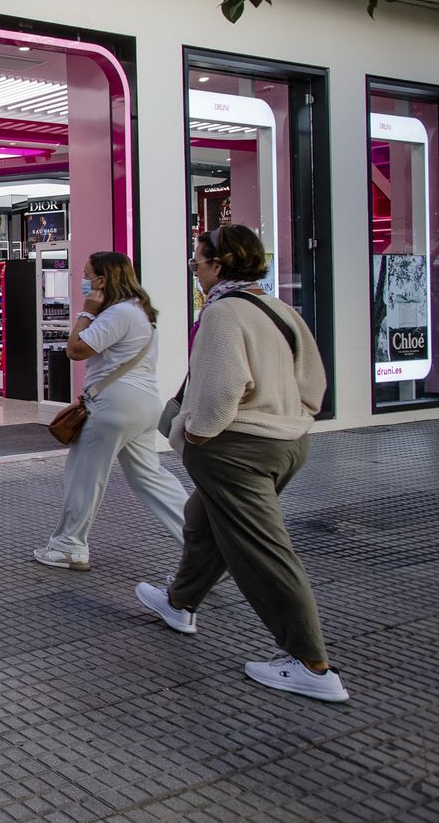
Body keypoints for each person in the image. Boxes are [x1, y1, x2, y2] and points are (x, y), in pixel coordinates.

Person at [135, 225, 346, 703]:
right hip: (286, 442)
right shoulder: (279, 309)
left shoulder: (222, 313)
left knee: (262, 552)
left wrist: (198, 434)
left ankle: (311, 663)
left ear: (220, 263)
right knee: (202, 521)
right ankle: (180, 600)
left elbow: (222, 388)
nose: (195, 268)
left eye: (198, 260)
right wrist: (291, 417)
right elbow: (314, 384)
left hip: (236, 449)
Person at [34, 252, 186, 570]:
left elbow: (75, 349)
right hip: (144, 405)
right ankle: (204, 544)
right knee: (151, 477)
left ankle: (69, 546)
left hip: (113, 405)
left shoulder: (118, 313)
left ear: (102, 280)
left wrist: (85, 313)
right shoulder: (140, 312)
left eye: (86, 274)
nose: (83, 280)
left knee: (84, 475)